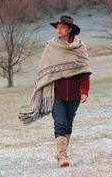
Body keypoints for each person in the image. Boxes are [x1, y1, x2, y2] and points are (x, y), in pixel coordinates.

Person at [19, 15, 92, 167]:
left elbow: (85, 70)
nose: (58, 30)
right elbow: (44, 70)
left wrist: (84, 91)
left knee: (68, 125)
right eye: (57, 27)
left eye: (62, 27)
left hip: (74, 93)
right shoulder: (51, 46)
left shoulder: (80, 47)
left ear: (70, 29)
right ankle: (62, 156)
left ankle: (62, 151)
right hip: (55, 93)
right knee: (59, 123)